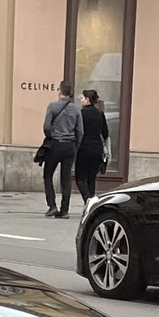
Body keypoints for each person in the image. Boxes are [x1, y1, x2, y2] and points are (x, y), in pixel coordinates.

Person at [39, 81, 81, 218]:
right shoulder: (76, 109)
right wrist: (76, 145)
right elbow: (80, 130)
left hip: (56, 144)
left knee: (48, 174)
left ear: (60, 91)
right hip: (70, 146)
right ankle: (65, 210)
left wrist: (51, 136)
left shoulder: (52, 106)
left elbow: (46, 126)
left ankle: (52, 205)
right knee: (66, 178)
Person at [74, 88, 109, 207]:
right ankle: (90, 204)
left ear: (88, 100)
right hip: (97, 149)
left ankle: (89, 201)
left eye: (83, 98)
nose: (81, 100)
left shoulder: (81, 113)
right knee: (91, 178)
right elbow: (105, 133)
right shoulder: (100, 114)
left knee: (80, 178)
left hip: (84, 148)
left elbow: (77, 130)